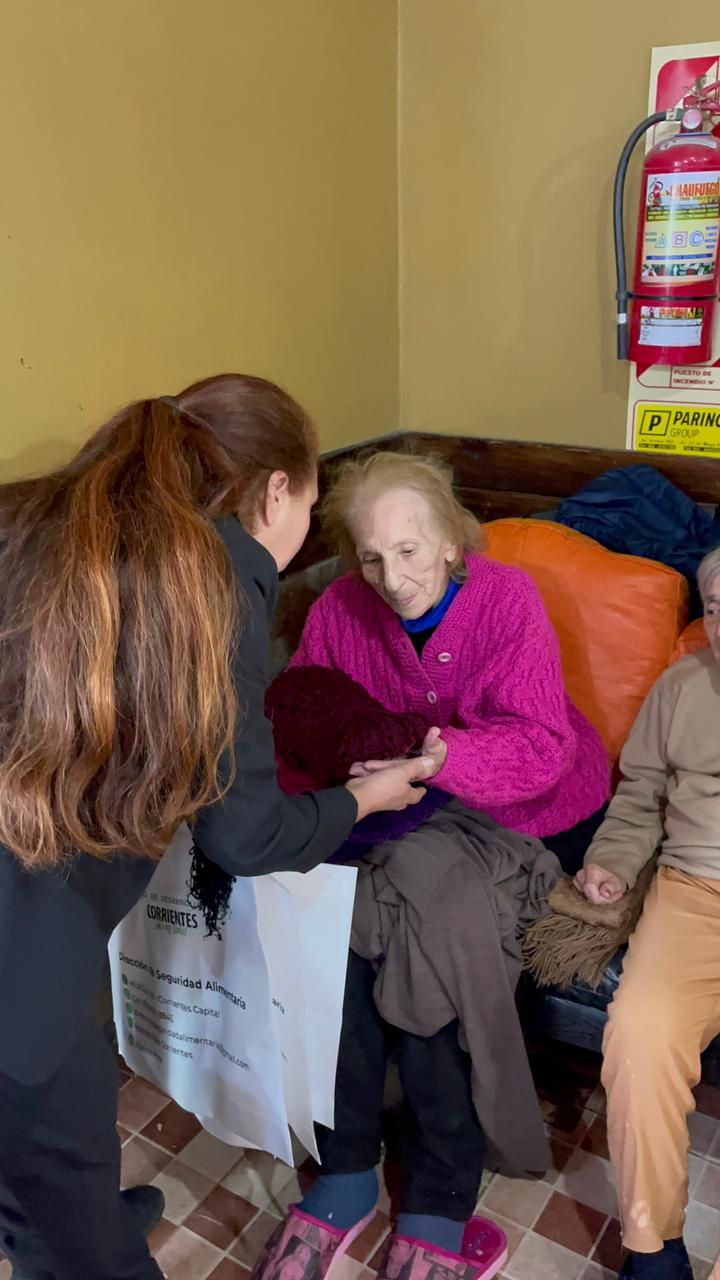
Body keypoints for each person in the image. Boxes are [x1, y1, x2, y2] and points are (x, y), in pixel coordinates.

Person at [0, 376, 433, 1280]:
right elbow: (246, 836)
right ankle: (79, 1231)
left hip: (34, 904)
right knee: (60, 1195)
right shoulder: (216, 584)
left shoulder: (45, 520)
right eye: (314, 512)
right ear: (274, 493)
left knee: (63, 1112)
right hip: (20, 938)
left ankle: (82, 1206)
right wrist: (368, 797)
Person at [253, 451, 610, 1280]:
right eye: (372, 558)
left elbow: (540, 745)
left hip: (519, 803)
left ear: (451, 541)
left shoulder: (507, 599)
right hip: (393, 812)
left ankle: (439, 1192)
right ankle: (346, 1167)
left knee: (438, 934)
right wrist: (349, 765)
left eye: (410, 551)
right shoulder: (341, 607)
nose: (392, 578)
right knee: (328, 924)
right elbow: (304, 706)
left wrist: (436, 760)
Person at [574, 543, 720, 1280]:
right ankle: (654, 1248)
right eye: (717, 608)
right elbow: (640, 794)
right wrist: (612, 861)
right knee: (638, 1031)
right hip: (694, 894)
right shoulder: (682, 686)